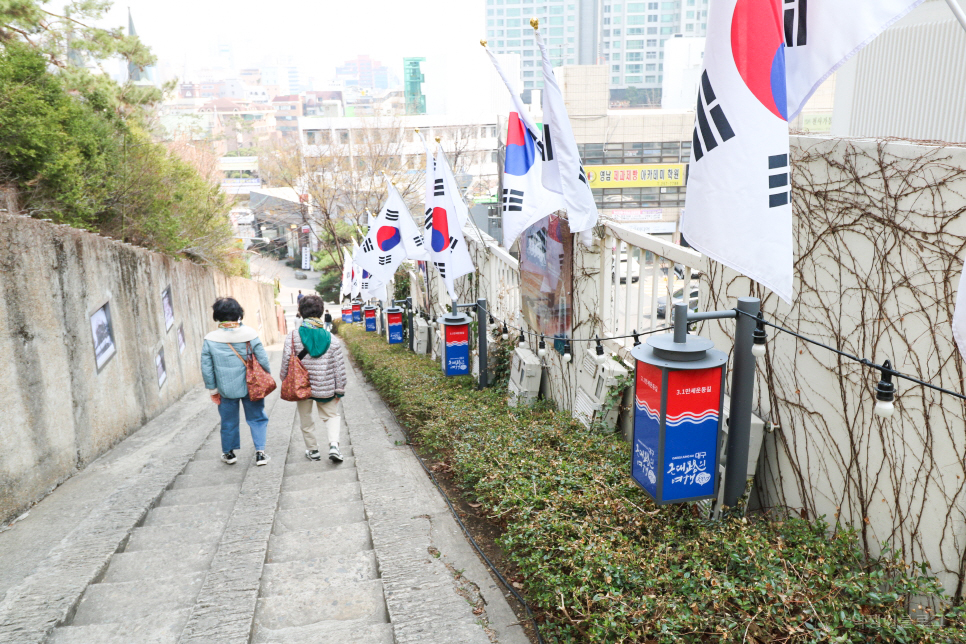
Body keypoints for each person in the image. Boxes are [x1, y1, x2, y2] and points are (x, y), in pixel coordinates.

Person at [201, 297, 273, 466]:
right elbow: (263, 360)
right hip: (252, 386)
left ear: (217, 316)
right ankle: (260, 453)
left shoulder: (210, 339)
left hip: (226, 389)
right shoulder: (250, 334)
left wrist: (213, 390)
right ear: (239, 314)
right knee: (257, 418)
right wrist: (265, 376)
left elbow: (207, 368)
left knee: (228, 421)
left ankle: (229, 453)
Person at [280, 295, 347, 463]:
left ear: (301, 312)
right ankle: (334, 446)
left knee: (306, 418)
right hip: (326, 386)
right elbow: (339, 367)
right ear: (321, 311)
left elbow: (286, 361)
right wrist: (339, 390)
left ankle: (313, 451)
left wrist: (284, 378)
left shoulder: (293, 336)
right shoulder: (332, 339)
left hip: (301, 386)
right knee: (331, 415)